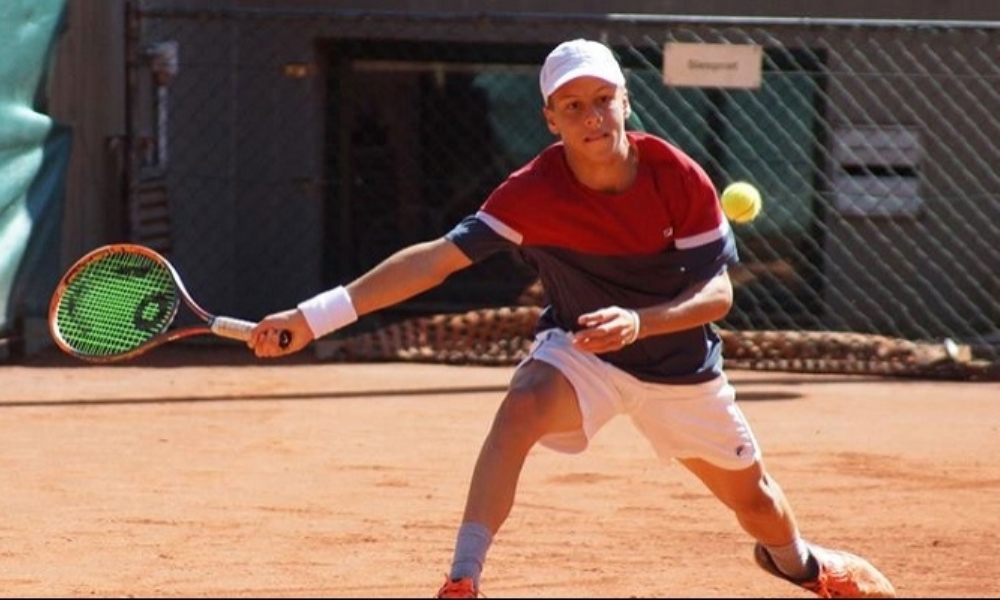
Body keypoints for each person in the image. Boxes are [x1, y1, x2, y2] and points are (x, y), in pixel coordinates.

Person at [248, 39, 897, 599]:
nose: (592, 116)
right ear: (551, 119)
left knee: (754, 502)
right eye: (574, 105)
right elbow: (434, 263)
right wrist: (313, 318)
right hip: (583, 351)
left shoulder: (679, 177)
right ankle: (463, 580)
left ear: (626, 101)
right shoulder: (531, 192)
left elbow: (718, 297)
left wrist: (641, 322)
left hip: (680, 367)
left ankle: (804, 566)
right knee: (522, 404)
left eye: (603, 98)